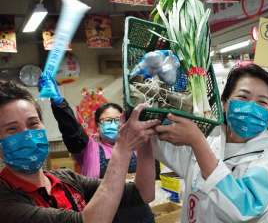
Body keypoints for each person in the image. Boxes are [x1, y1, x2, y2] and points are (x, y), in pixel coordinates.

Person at [0, 80, 158, 223]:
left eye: (33, 123)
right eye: (12, 129)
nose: (27, 135)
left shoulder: (66, 179)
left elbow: (143, 192)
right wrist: (123, 148)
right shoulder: (6, 200)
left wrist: (145, 139)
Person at [151, 64, 268, 222]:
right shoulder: (211, 135)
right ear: (224, 103)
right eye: (243, 97)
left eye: (262, 102)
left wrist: (198, 143)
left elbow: (246, 207)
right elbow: (163, 147)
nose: (251, 107)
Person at [38, 74, 139, 179]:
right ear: (98, 126)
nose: (113, 124)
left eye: (118, 120)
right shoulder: (89, 146)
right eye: (108, 120)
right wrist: (59, 104)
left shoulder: (134, 144)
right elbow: (72, 131)